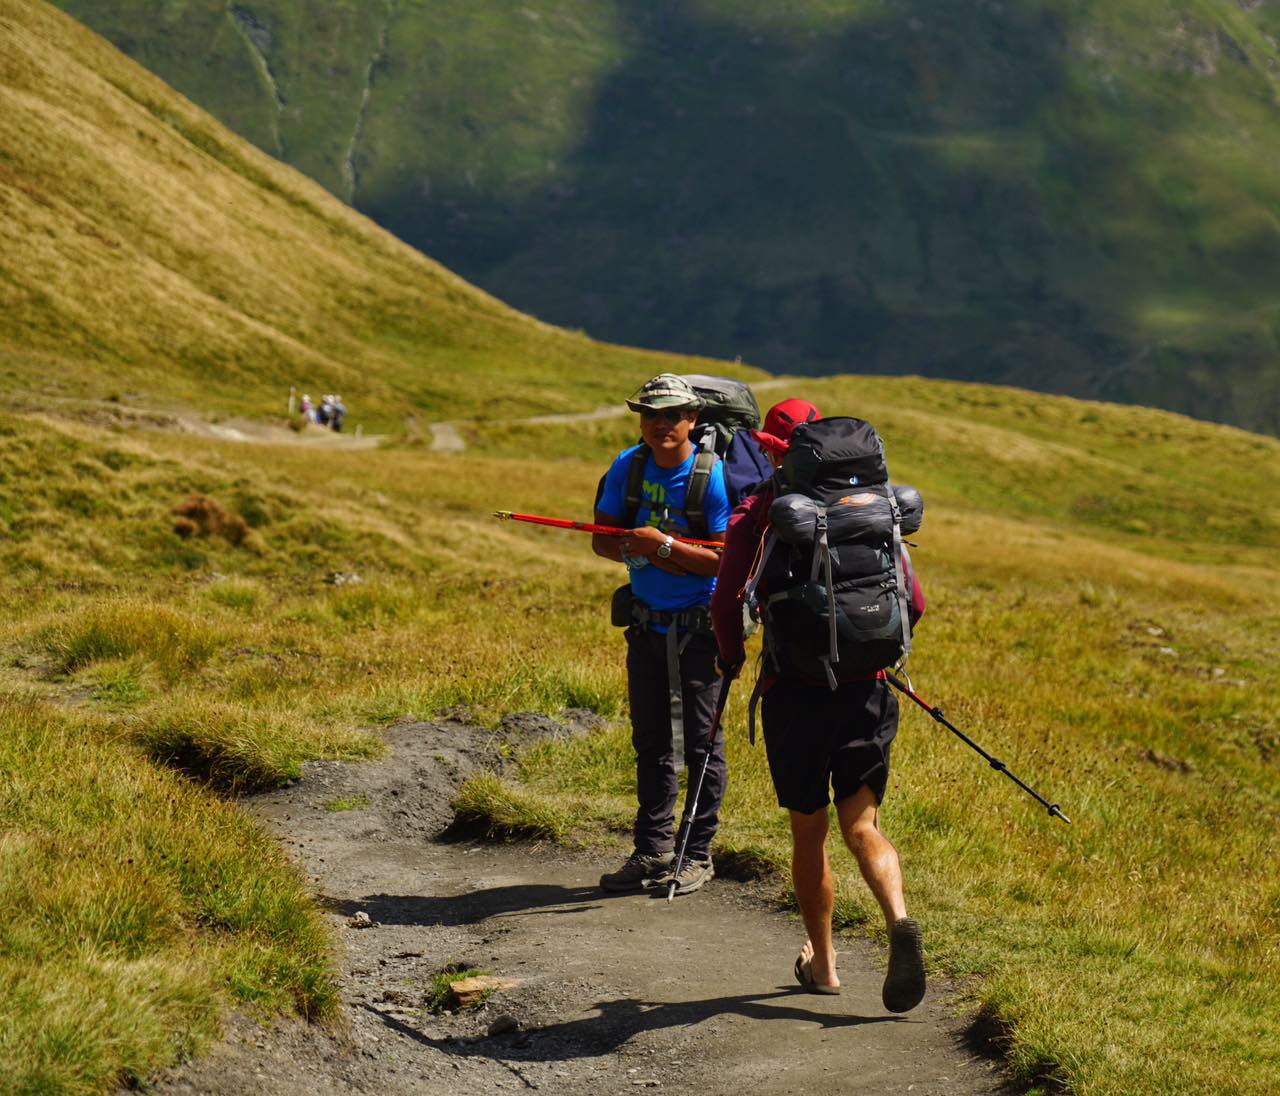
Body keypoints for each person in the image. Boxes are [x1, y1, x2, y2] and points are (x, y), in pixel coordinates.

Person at [710, 398, 928, 1012]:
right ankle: (897, 917)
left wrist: (731, 657)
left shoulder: (762, 513)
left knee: (810, 833)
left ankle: (825, 967)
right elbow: (913, 603)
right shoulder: (872, 508)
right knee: (863, 825)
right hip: (867, 689)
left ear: (774, 449)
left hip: (795, 694)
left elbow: (727, 602)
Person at [593, 374, 731, 896]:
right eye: (650, 415)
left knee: (701, 744)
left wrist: (661, 547)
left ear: (693, 419)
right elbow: (603, 541)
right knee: (650, 741)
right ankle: (652, 850)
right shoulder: (627, 467)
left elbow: (722, 558)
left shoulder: (711, 476)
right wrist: (641, 549)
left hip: (700, 631)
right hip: (645, 626)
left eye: (672, 415)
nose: (660, 424)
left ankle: (696, 855)